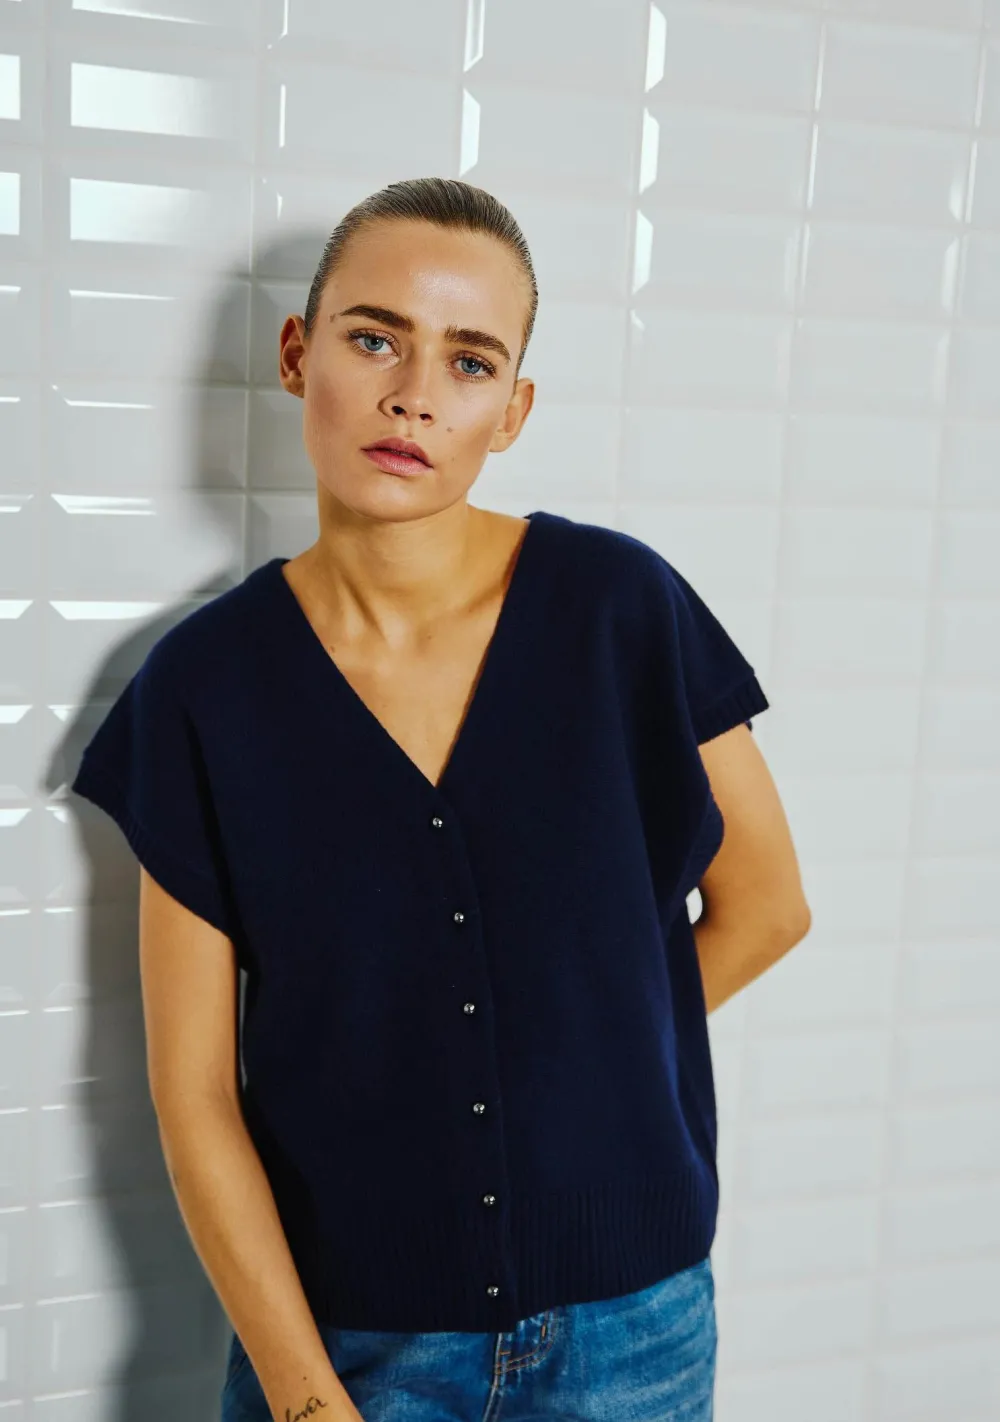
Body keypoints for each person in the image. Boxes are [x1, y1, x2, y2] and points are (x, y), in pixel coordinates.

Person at [70, 177, 811, 1421]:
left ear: (511, 411)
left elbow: (767, 906)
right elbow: (192, 1095)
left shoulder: (619, 611)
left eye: (470, 362)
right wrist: (308, 1402)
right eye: (375, 339)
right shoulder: (204, 687)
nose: (414, 394)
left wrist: (578, 1056)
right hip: (347, 1345)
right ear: (297, 355)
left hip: (631, 1341)